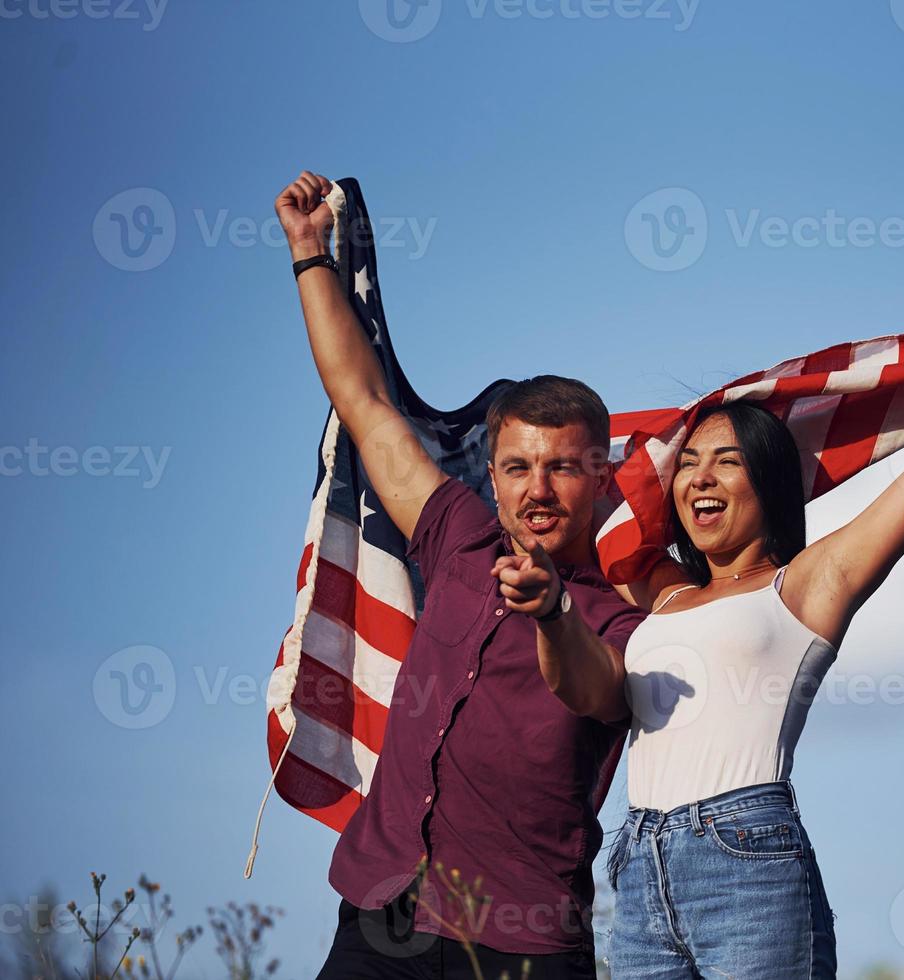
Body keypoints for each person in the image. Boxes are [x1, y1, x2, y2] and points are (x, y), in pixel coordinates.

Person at [511, 301, 904, 977]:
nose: (699, 477)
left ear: (767, 480)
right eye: (690, 463)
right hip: (639, 866)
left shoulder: (810, 584)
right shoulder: (660, 589)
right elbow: (571, 507)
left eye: (726, 462)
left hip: (746, 862)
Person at [276, 170, 681, 979]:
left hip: (519, 945)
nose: (537, 489)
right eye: (519, 467)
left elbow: (595, 689)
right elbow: (361, 398)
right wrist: (309, 253)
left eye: (562, 469)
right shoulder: (456, 534)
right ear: (489, 478)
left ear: (601, 480)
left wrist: (552, 611)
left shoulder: (625, 620)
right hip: (379, 912)